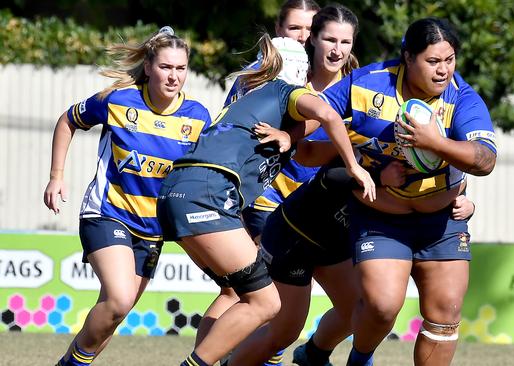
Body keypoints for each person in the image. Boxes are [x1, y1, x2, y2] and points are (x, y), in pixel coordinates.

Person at [156, 35, 375, 366]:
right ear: (299, 73)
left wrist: (291, 135)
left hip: (177, 194)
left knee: (235, 292)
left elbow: (306, 141)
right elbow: (328, 115)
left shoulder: (247, 102)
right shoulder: (284, 91)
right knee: (265, 302)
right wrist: (354, 165)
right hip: (208, 195)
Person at [319, 17, 498, 366]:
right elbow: (314, 121)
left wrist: (436, 142)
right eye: (433, 61)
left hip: (443, 223)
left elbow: (486, 159)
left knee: (445, 315)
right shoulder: (366, 84)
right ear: (408, 58)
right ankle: (359, 359)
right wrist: (367, 171)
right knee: (383, 307)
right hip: (381, 219)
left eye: (450, 60)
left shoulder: (462, 98)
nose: (444, 70)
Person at [43, 27, 212, 366]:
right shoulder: (118, 101)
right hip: (107, 213)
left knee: (113, 315)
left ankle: (73, 363)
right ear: (148, 67)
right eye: (166, 67)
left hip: (152, 231)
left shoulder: (197, 117)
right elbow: (68, 121)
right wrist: (56, 176)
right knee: (119, 300)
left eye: (181, 69)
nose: (174, 76)